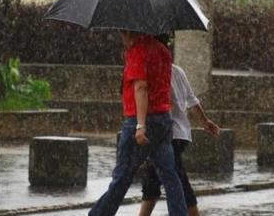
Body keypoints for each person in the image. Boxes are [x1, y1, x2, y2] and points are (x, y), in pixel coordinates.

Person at [88, 31, 188, 216]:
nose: (122, 37)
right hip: (163, 119)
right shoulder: (163, 51)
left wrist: (140, 126)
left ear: (131, 32)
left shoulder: (139, 50)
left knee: (122, 176)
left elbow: (141, 87)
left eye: (123, 33)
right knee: (170, 175)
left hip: (141, 119)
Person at [138, 34, 220, 216]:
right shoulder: (177, 70)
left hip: (166, 133)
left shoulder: (156, 72)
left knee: (174, 178)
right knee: (155, 177)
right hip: (180, 133)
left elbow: (163, 102)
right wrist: (204, 121)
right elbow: (192, 100)